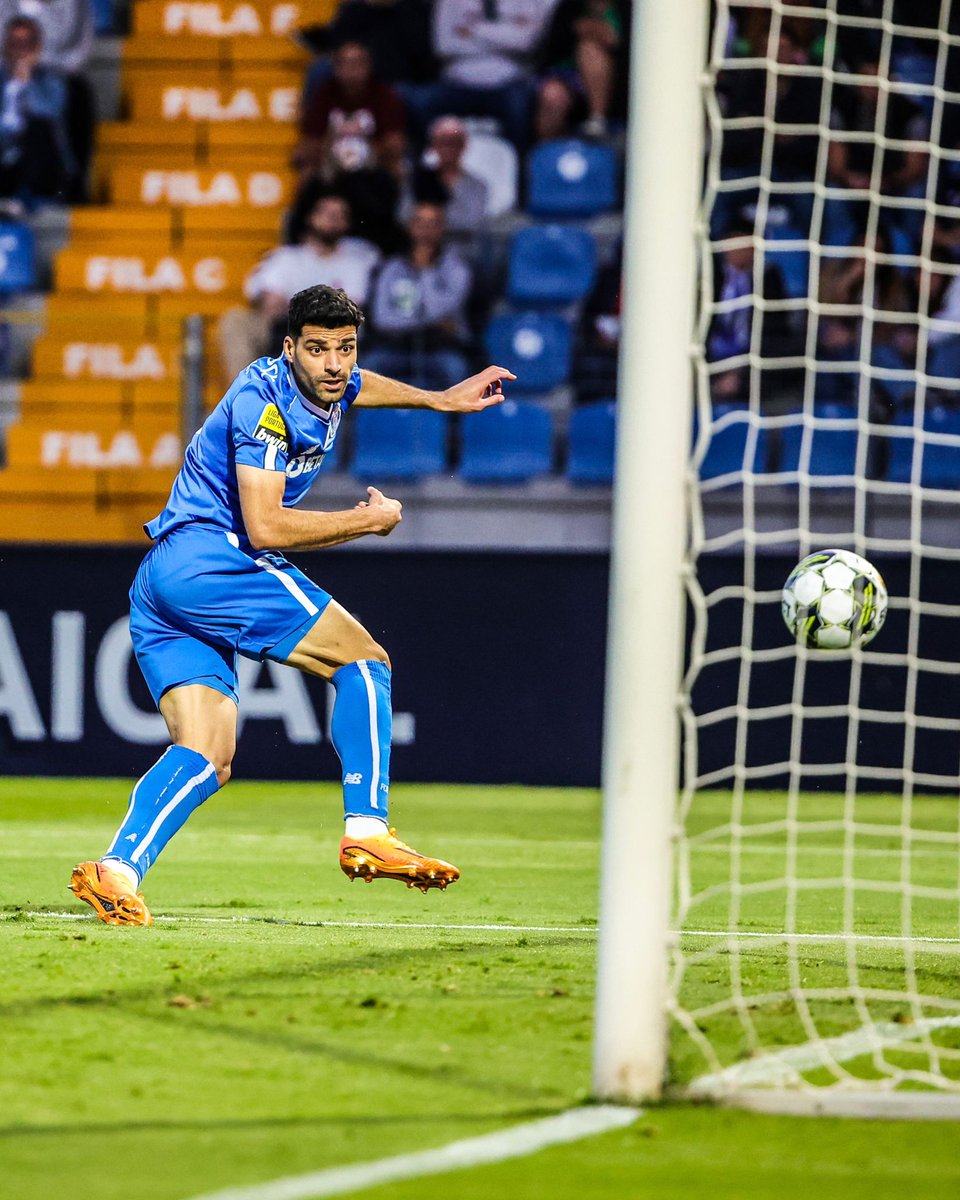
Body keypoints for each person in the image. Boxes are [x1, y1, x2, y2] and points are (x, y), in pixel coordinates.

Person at [68, 284, 517, 926]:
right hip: (213, 558)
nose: (335, 364)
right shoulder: (265, 409)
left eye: (346, 349)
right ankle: (367, 827)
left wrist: (437, 399)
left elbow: (360, 385)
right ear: (289, 349)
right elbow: (267, 530)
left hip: (164, 578)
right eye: (319, 351)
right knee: (364, 663)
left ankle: (116, 871)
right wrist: (366, 522)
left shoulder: (323, 379)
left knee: (206, 754)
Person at [217, 191, 379, 382]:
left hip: (333, 337)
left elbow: (349, 310)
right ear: (311, 217)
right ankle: (247, 398)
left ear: (348, 223)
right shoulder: (286, 257)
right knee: (235, 319)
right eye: (326, 212)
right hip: (285, 329)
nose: (333, 219)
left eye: (340, 214)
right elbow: (272, 305)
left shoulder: (357, 260)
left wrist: (297, 306)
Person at [364, 200, 473, 390]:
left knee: (455, 370)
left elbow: (441, 308)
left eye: (433, 223)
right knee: (368, 369)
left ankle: (455, 421)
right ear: (410, 227)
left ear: (443, 228)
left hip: (440, 348)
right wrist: (427, 324)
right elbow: (382, 319)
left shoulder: (456, 267)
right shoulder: (392, 268)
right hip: (395, 347)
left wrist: (425, 270)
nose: (426, 230)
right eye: (420, 222)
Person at [0, 15, 77, 203]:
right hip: (4, 150)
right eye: (15, 42)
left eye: (27, 42)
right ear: (5, 46)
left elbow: (50, 111)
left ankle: (27, 197)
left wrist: (26, 81)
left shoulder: (52, 79)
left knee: (38, 128)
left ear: (37, 47)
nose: (20, 49)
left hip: (36, 158)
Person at [401, 116, 488, 239]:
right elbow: (404, 215)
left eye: (454, 142)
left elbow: (471, 223)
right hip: (420, 248)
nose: (448, 148)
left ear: (464, 146)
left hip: (462, 250)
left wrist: (428, 221)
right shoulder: (417, 179)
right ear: (433, 145)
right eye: (442, 142)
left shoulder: (478, 186)